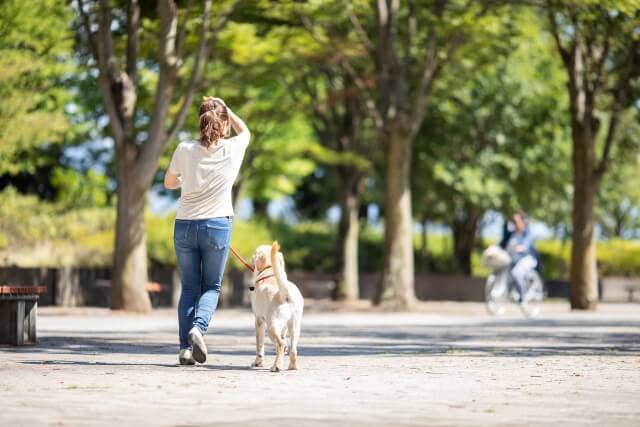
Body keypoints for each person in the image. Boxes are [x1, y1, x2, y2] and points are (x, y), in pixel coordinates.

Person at [164, 97, 250, 365]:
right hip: (217, 226)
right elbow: (245, 131)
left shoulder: (185, 148)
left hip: (185, 225)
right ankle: (198, 328)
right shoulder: (232, 149)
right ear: (223, 123)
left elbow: (168, 183)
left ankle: (184, 349)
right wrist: (227, 110)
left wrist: (184, 179)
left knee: (189, 287)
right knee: (211, 286)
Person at [499, 211, 539, 303]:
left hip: (527, 258)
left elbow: (527, 244)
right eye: (512, 222)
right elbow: (502, 244)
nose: (514, 224)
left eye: (516, 221)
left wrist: (521, 247)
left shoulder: (527, 233)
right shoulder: (511, 234)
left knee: (516, 273)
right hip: (513, 259)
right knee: (505, 270)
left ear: (522, 221)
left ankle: (522, 296)